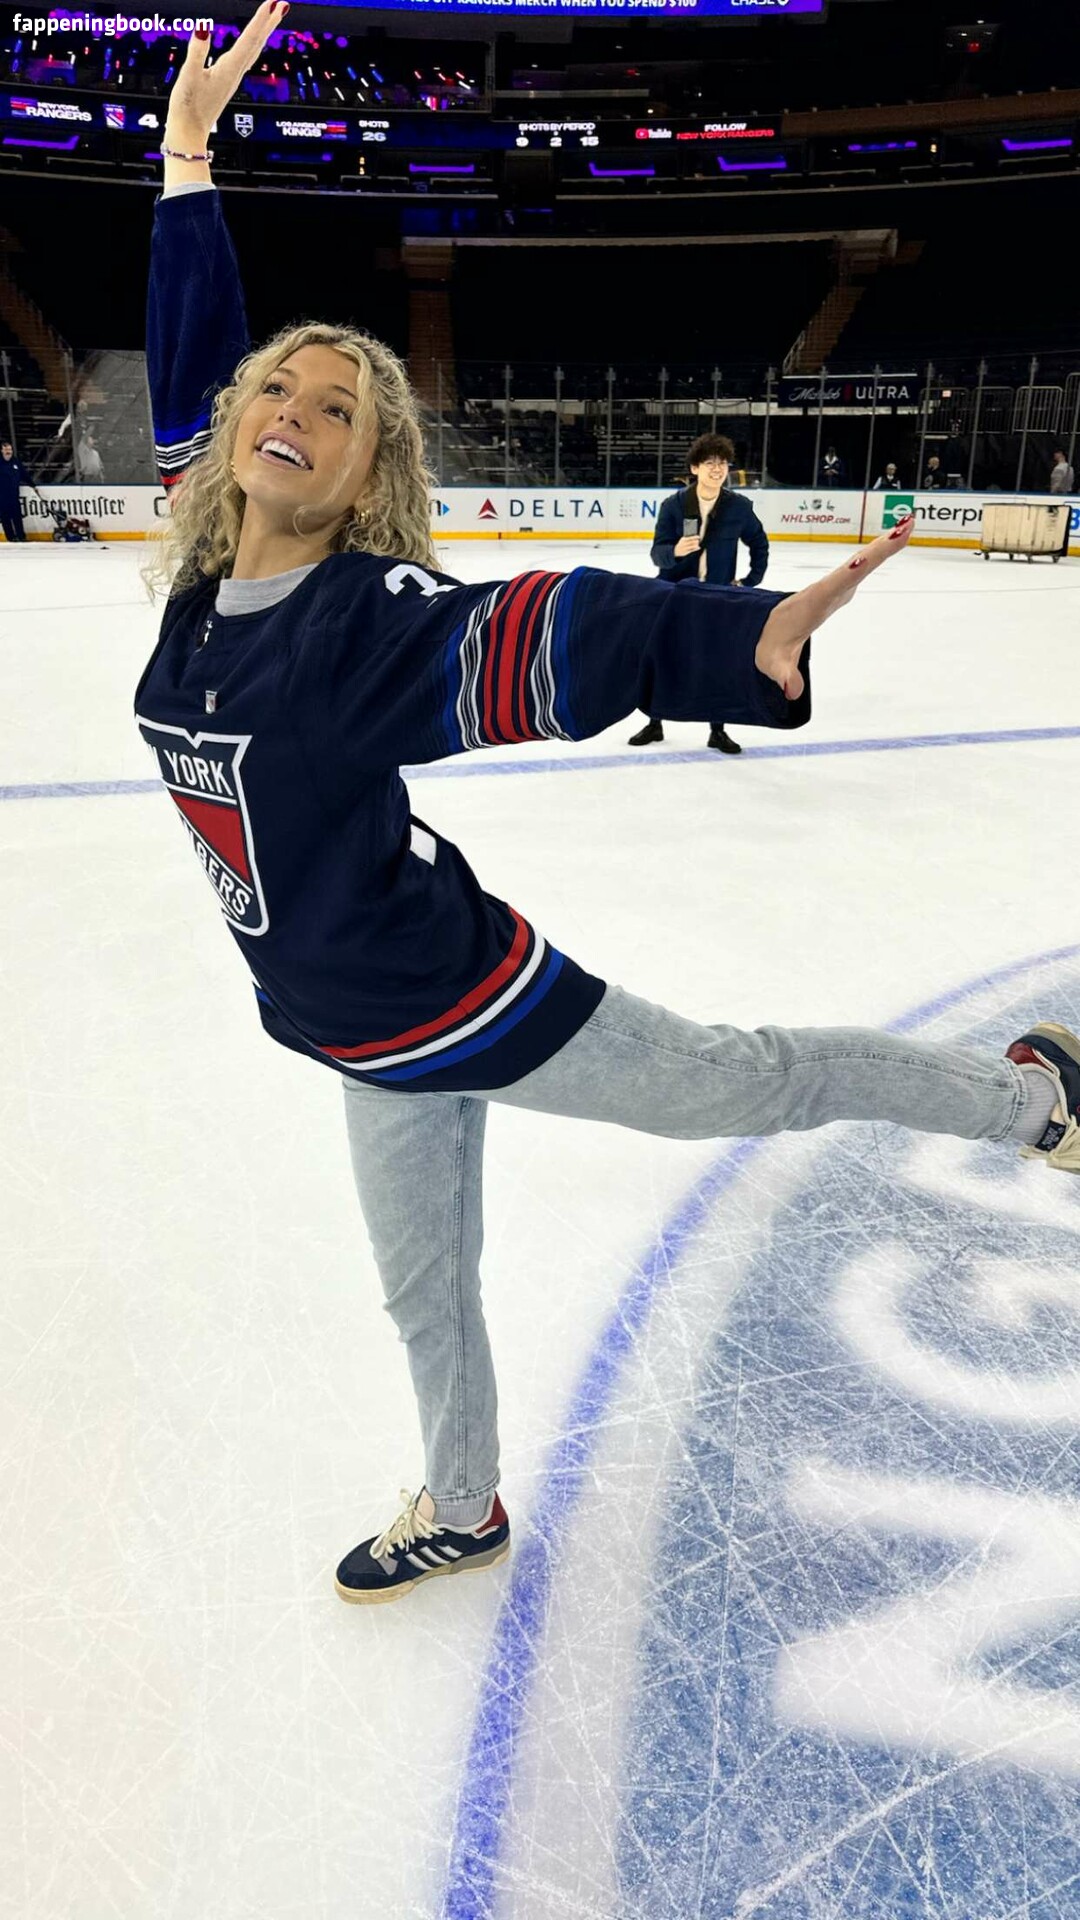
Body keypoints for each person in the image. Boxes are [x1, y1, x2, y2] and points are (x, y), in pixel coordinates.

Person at [137, 8, 1080, 1610]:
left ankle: (1034, 1102)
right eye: (276, 388)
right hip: (355, 1033)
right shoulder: (206, 564)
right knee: (423, 1299)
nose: (294, 406)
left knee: (751, 1078)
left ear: (367, 476)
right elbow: (194, 364)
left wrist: (731, 641)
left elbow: (543, 631)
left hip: (468, 1001)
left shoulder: (363, 622)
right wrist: (182, 160)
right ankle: (465, 1506)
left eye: (340, 406)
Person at [628, 433, 769, 755]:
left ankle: (717, 730)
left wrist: (749, 581)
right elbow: (657, 554)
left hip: (717, 596)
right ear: (695, 468)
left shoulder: (739, 507)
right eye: (709, 463)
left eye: (722, 463)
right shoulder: (674, 506)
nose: (717, 469)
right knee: (663, 659)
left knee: (719, 663)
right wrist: (675, 551)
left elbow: (759, 543)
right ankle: (654, 722)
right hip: (675, 593)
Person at [0, 439, 27, 541]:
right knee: (5, 518)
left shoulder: (16, 462)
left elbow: (24, 474)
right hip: (2, 497)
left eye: (10, 449)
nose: (8, 451)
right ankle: (10, 538)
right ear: (2, 451)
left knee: (17, 517)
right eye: (6, 449)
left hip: (14, 496)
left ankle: (21, 537)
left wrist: (33, 485)